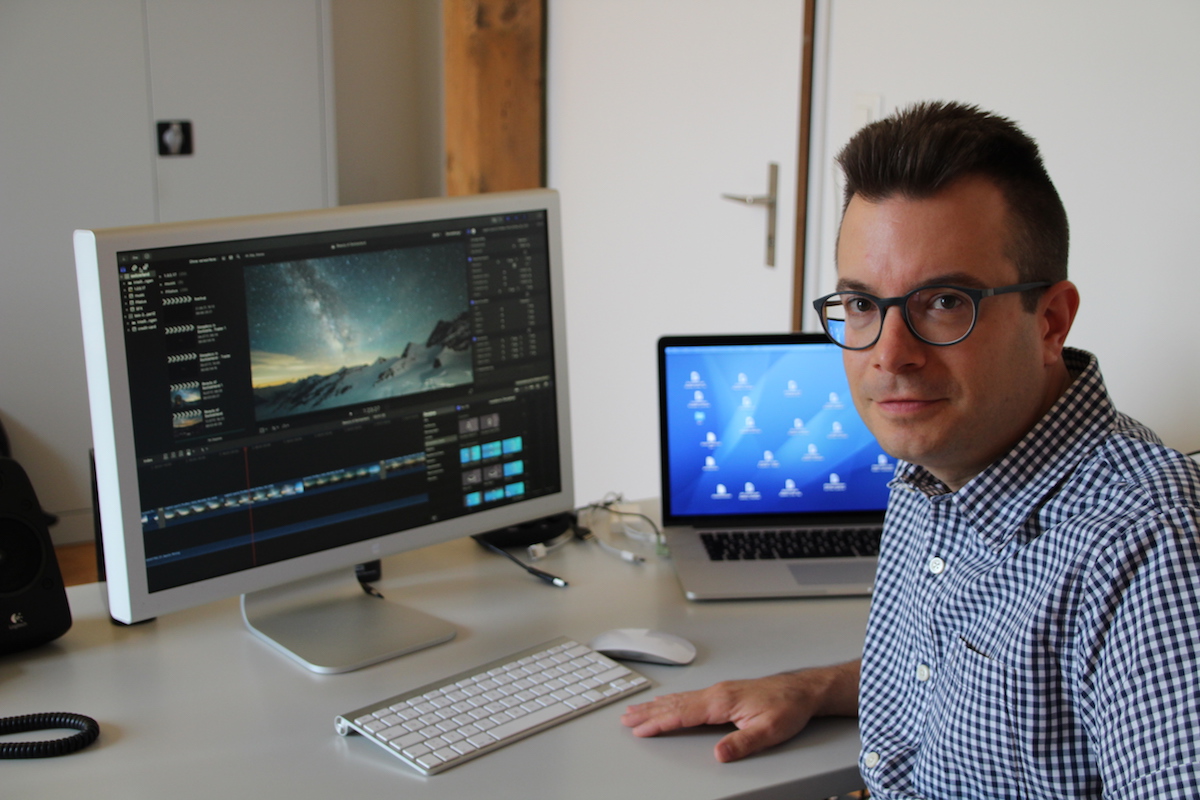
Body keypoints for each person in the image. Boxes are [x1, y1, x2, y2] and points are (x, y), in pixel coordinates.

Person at [622, 101, 1200, 797]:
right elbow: (975, 671)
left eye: (945, 302)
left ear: (1050, 320)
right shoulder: (933, 463)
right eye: (862, 305)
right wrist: (812, 686)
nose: (890, 357)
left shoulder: (1147, 544)